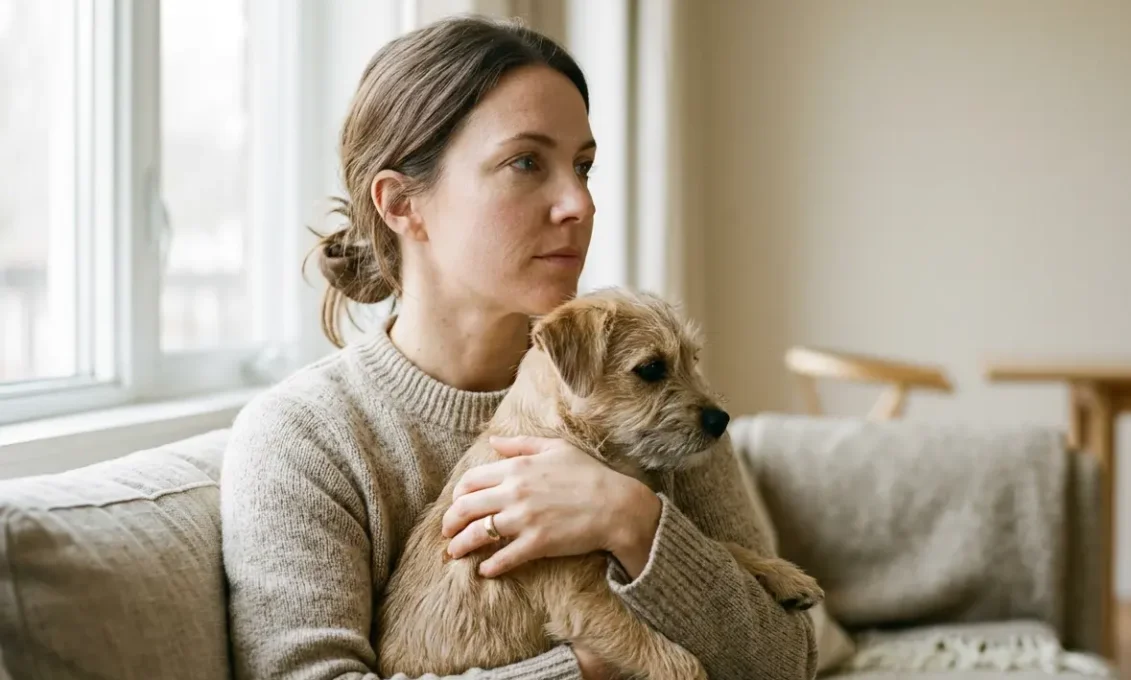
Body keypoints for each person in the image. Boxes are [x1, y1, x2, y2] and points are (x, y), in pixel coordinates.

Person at [220, 15, 817, 680]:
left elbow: (787, 661)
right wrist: (587, 667)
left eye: (584, 166)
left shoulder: (648, 392)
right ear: (401, 204)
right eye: (525, 162)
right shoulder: (304, 440)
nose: (580, 204)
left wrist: (633, 520)